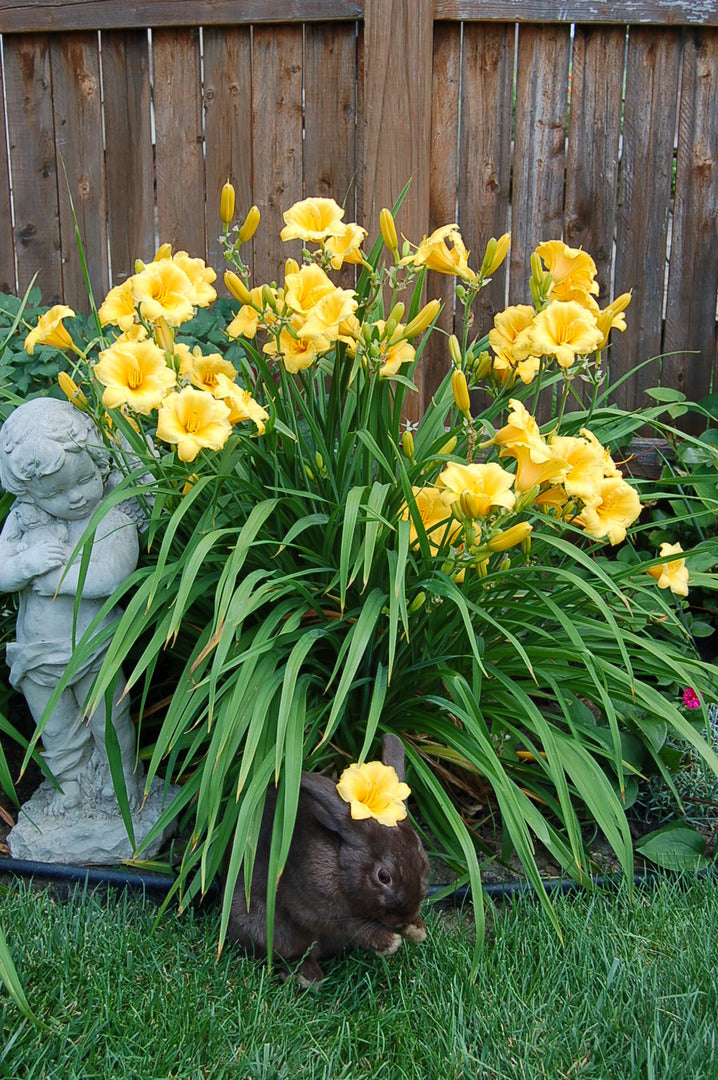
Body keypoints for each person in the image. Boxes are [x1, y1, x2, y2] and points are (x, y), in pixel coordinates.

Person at [0, 398, 142, 814]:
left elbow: (112, 575)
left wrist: (52, 580)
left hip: (93, 648)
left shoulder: (112, 516)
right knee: (55, 725)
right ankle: (70, 781)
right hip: (36, 655)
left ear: (99, 464)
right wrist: (24, 565)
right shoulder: (24, 520)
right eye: (56, 492)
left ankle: (121, 777)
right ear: (30, 492)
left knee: (109, 719)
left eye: (84, 479)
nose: (76, 496)